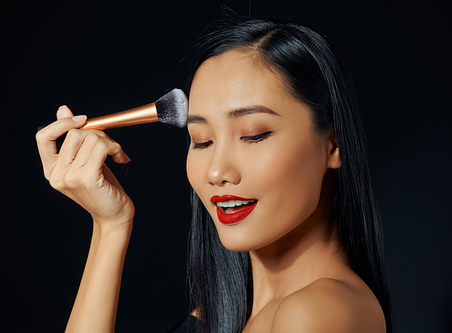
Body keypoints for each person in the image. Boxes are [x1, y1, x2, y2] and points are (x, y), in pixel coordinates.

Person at [36, 17, 391, 333]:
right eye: (201, 141)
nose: (217, 171)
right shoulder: (224, 313)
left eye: (253, 134)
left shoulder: (317, 313)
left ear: (333, 145)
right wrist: (110, 226)